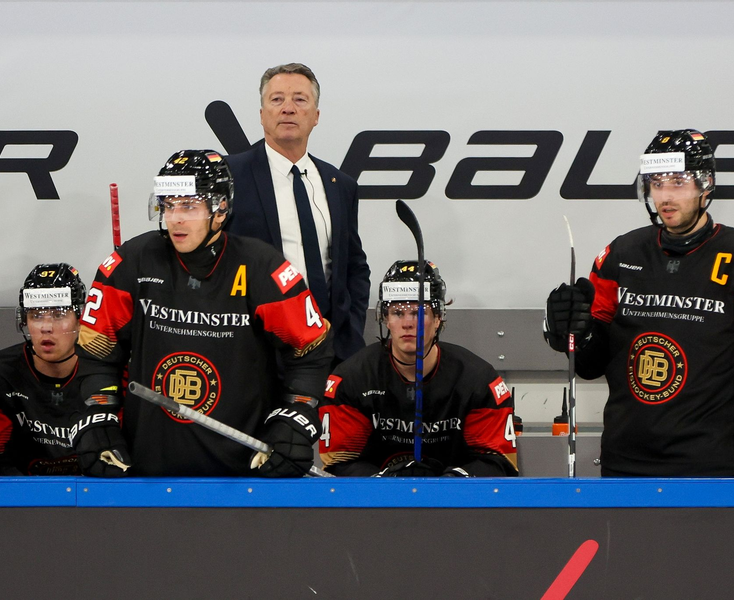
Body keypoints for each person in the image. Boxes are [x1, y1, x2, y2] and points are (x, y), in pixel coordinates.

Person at [543, 129, 734, 494]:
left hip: (717, 467)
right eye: (656, 183)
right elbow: (589, 364)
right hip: (624, 462)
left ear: (706, 185)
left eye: (678, 183)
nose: (665, 196)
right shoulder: (621, 254)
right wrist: (572, 333)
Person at [78, 149, 333, 477]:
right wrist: (100, 415)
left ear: (221, 209)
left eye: (189, 206)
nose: (176, 218)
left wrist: (295, 417)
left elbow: (311, 350)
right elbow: (97, 350)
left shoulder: (261, 266)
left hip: (244, 471)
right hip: (147, 467)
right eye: (168, 205)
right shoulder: (134, 261)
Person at [226, 62, 370, 364]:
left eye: (300, 99)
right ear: (262, 114)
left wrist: (350, 331)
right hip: (253, 351)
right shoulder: (230, 176)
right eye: (277, 99)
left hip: (328, 349)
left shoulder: (340, 184)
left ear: (315, 116)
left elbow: (354, 266)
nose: (288, 108)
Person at [318, 260, 518, 477]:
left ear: (438, 318)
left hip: (454, 497)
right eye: (397, 313)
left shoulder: (478, 380)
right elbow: (339, 466)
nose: (407, 323)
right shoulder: (352, 379)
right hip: (380, 497)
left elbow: (499, 464)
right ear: (385, 319)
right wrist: (388, 482)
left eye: (418, 312)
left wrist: (447, 483)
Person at [0, 263, 130, 476]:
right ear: (24, 320)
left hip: (99, 492)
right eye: (36, 315)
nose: (46, 327)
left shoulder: (113, 373)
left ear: (81, 319)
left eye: (59, 314)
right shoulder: (4, 373)